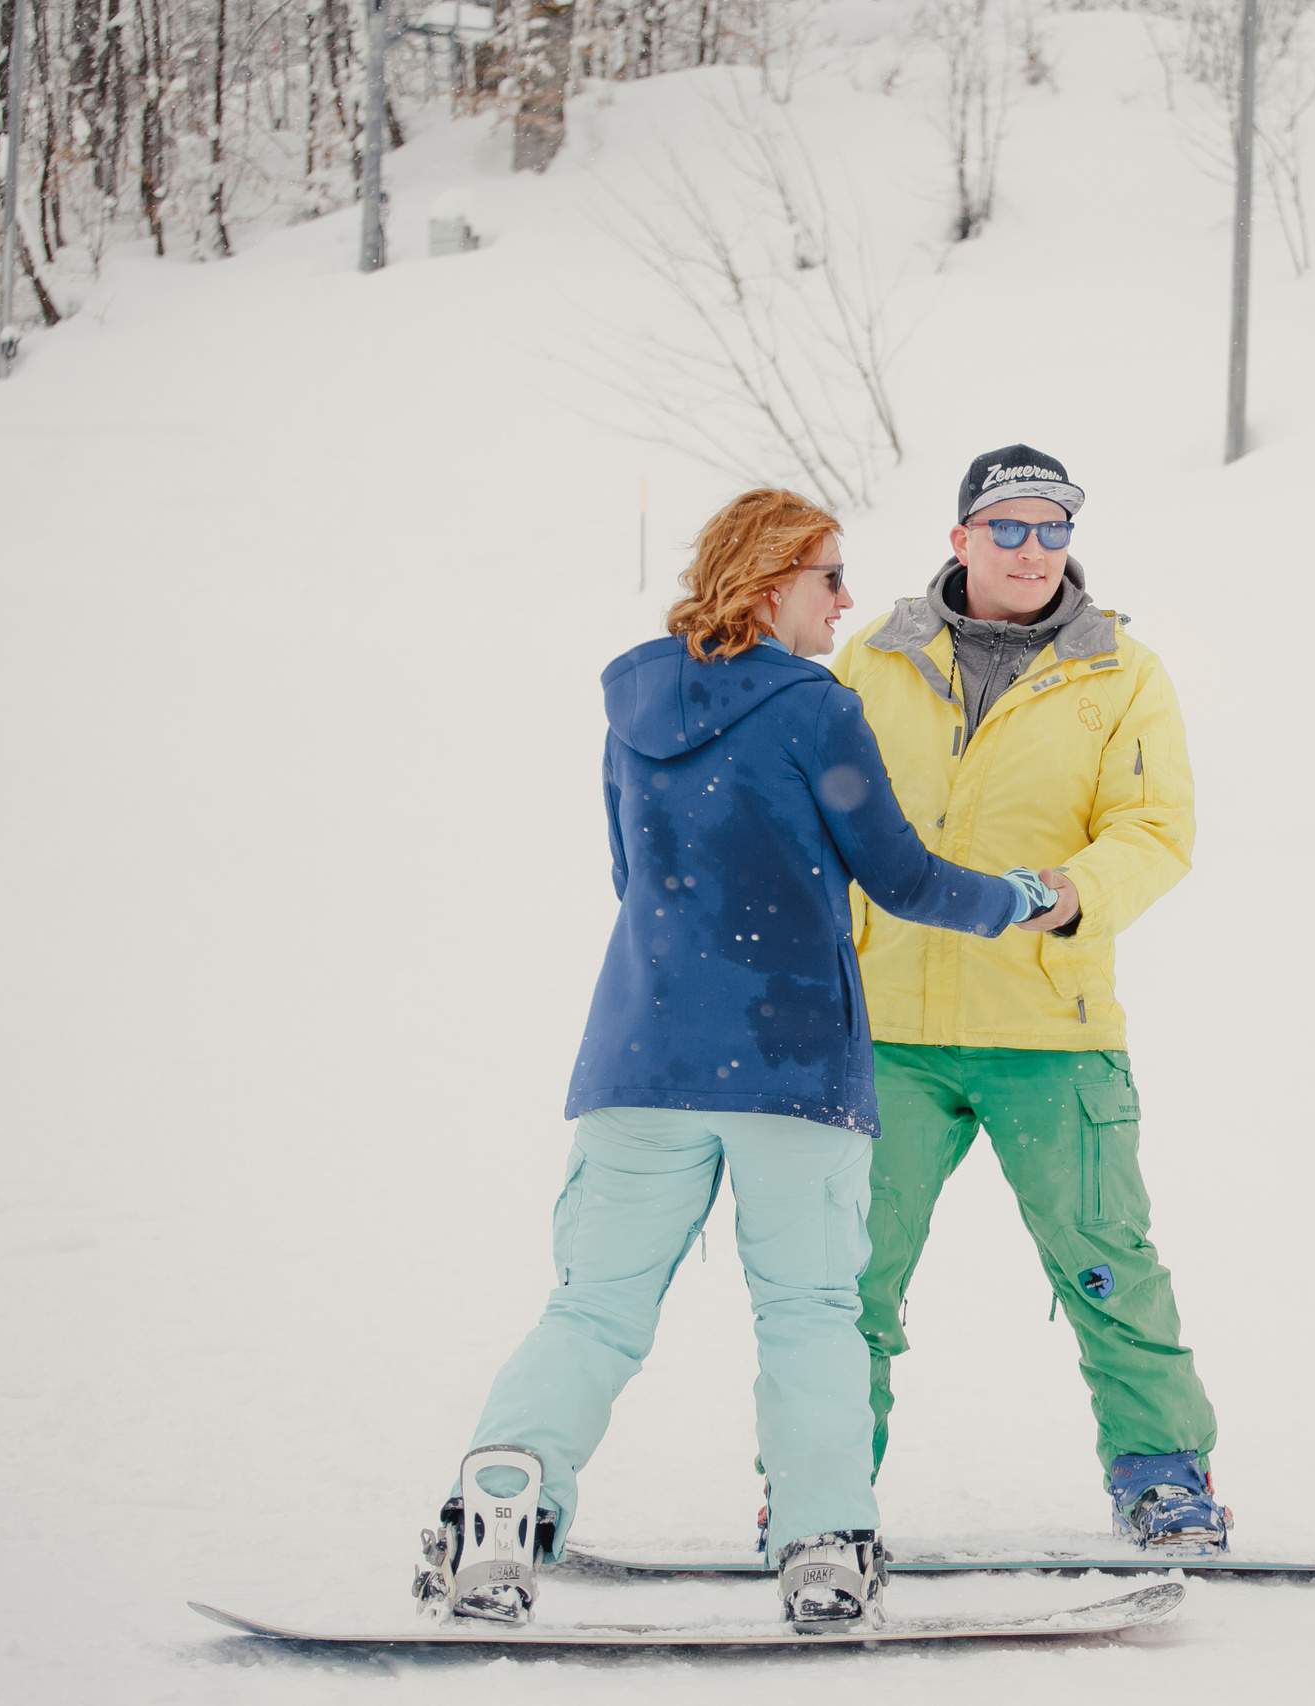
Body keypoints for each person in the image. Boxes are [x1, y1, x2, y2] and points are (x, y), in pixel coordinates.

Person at [409, 489, 1065, 1633]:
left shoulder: (634, 703)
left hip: (641, 1059)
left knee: (592, 1308)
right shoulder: (817, 707)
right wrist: (1017, 896)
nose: (848, 599)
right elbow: (902, 878)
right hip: (790, 1062)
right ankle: (821, 1542)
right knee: (810, 1308)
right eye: (830, 577)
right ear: (771, 582)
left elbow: (629, 871)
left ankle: (499, 1512)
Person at [830, 444, 1229, 1551]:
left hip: (1047, 1028)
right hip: (884, 1031)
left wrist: (1070, 892)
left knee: (1107, 1262)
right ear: (959, 538)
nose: (1033, 548)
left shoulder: (1121, 671)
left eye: (1053, 527)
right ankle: (820, 1486)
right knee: (844, 1274)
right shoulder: (874, 655)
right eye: (1007, 526)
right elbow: (814, 815)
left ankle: (1164, 1475)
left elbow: (1156, 830)